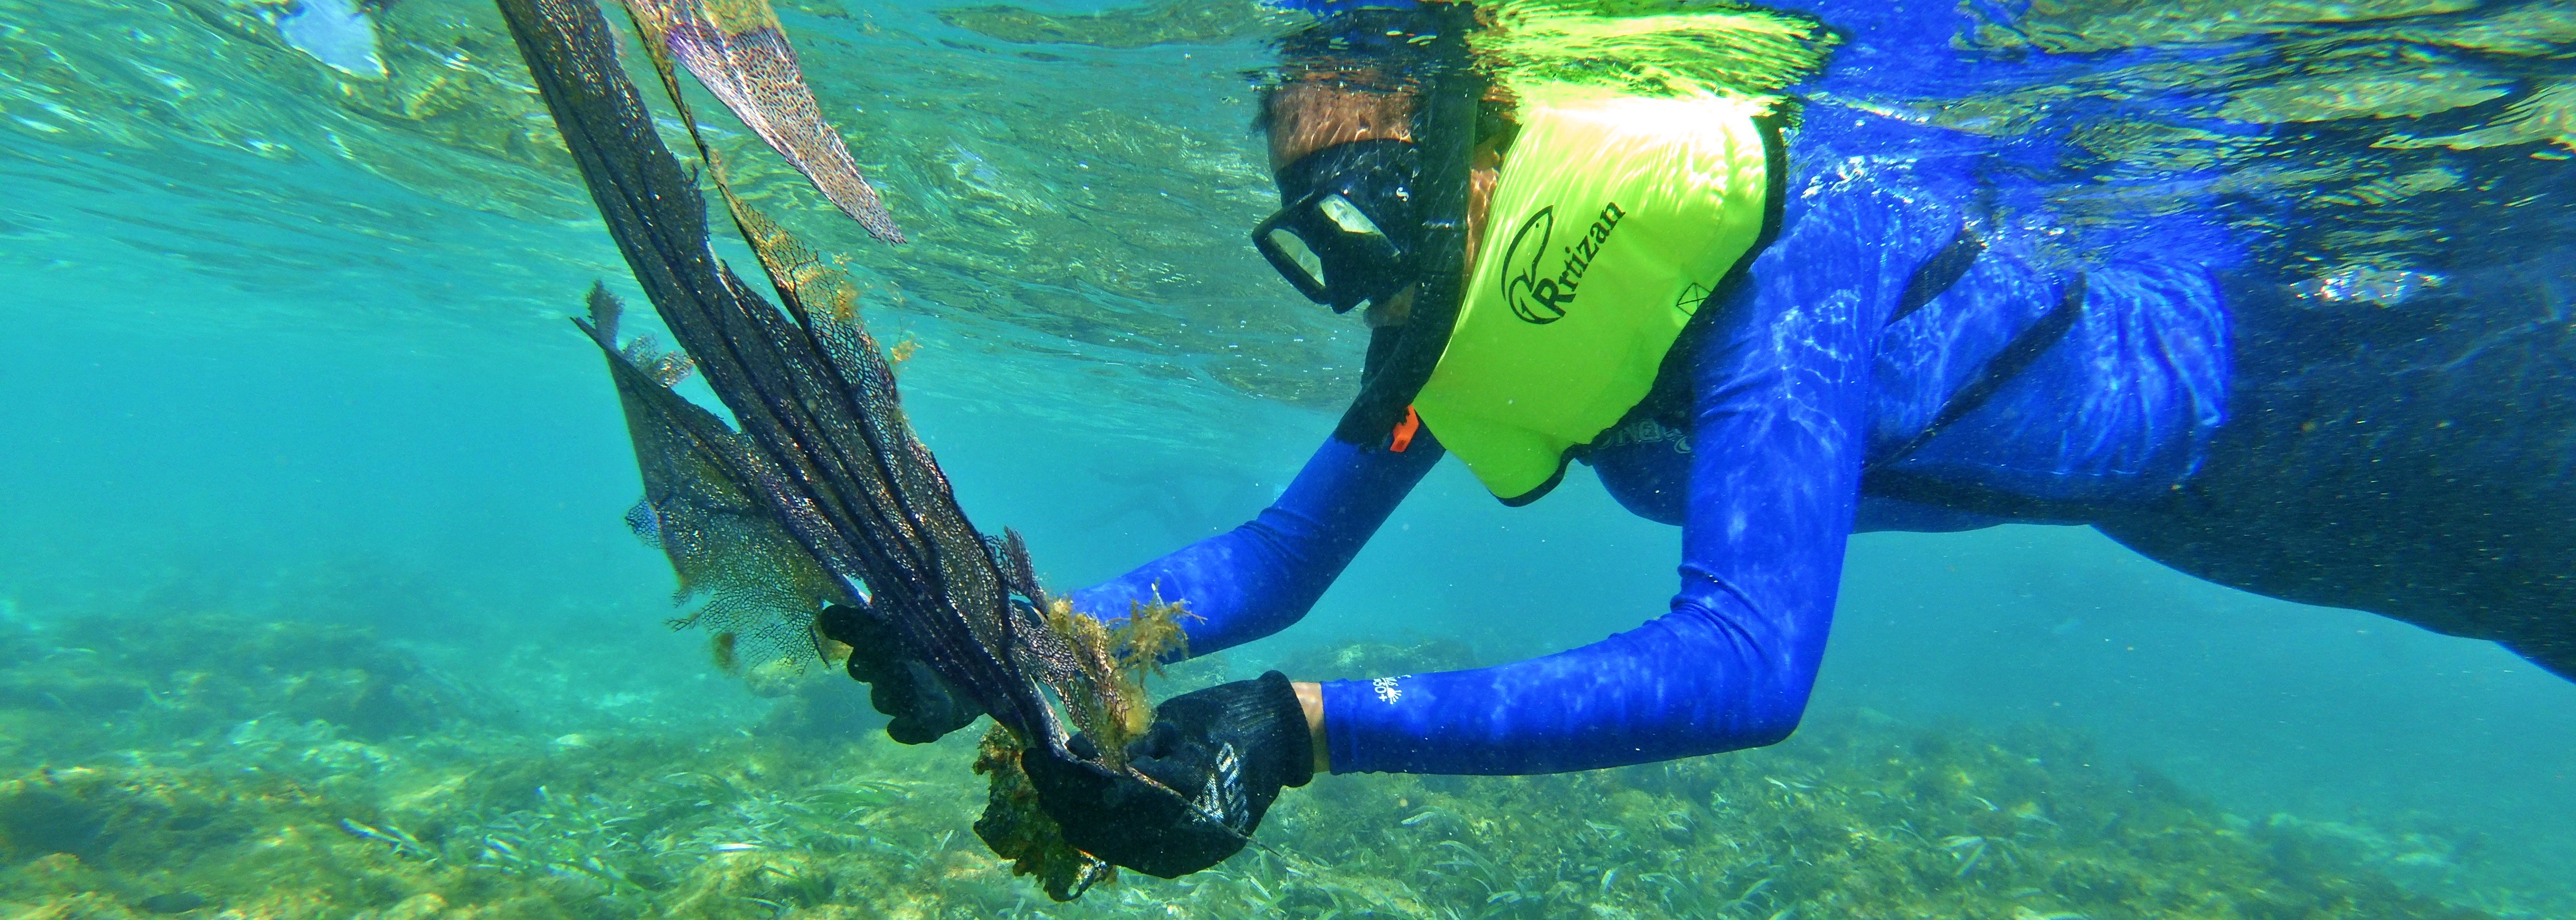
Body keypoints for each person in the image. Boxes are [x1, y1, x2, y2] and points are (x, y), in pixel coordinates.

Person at [829, 0, 2576, 880]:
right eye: (1301, 175)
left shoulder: (1784, 229)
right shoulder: (1461, 323)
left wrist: (1302, 733)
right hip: (2223, 518)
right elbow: (1281, 558)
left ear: (1488, 121)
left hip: (2382, 391)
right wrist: (1021, 639)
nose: (1341, 223)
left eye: (1360, 165)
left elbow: (1747, 661)